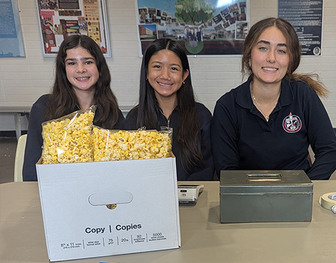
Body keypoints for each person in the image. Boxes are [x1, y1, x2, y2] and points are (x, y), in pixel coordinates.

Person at [212, 17, 336, 180]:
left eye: (281, 51)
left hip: (298, 190)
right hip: (248, 192)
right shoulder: (227, 106)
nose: (271, 58)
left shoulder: (303, 95)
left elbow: (329, 151)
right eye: (263, 48)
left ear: (291, 59)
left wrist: (306, 186)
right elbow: (227, 170)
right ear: (249, 56)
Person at [22, 35, 125, 181]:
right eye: (72, 63)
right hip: (56, 189)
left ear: (99, 67)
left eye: (88, 62)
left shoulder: (111, 112)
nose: (81, 69)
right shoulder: (44, 107)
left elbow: (124, 165)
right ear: (63, 69)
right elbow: (31, 170)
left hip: (102, 189)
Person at [124, 39, 213, 181]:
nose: (165, 76)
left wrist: (184, 190)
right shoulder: (134, 118)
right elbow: (130, 170)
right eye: (157, 66)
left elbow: (208, 167)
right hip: (150, 193)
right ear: (147, 72)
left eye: (174, 69)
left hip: (195, 193)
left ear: (184, 75)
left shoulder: (201, 115)